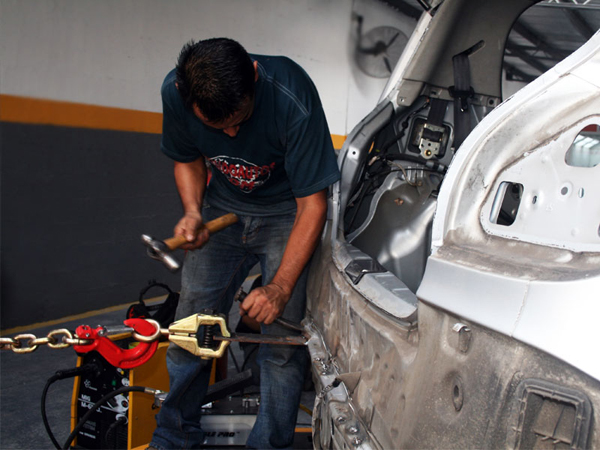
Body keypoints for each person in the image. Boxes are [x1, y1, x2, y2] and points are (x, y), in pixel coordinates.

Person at [149, 37, 340, 450]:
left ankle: (268, 444)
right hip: (223, 209)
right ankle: (173, 437)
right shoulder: (176, 91)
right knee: (189, 330)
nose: (232, 133)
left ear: (253, 74)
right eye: (219, 128)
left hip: (288, 214)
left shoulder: (292, 95)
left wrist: (279, 287)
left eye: (239, 119)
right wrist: (193, 211)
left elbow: (313, 205)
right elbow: (187, 158)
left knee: (281, 344)